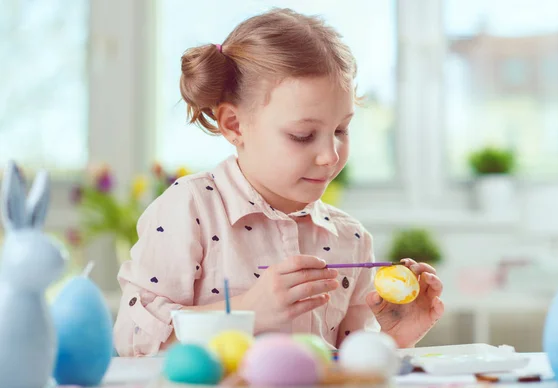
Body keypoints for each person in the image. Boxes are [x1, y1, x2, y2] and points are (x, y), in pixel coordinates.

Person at [113, 8, 444, 357]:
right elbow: (136, 341)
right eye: (303, 135)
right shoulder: (190, 209)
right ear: (234, 125)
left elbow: (348, 370)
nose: (330, 155)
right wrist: (246, 313)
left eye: (341, 130)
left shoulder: (352, 239)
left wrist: (394, 337)